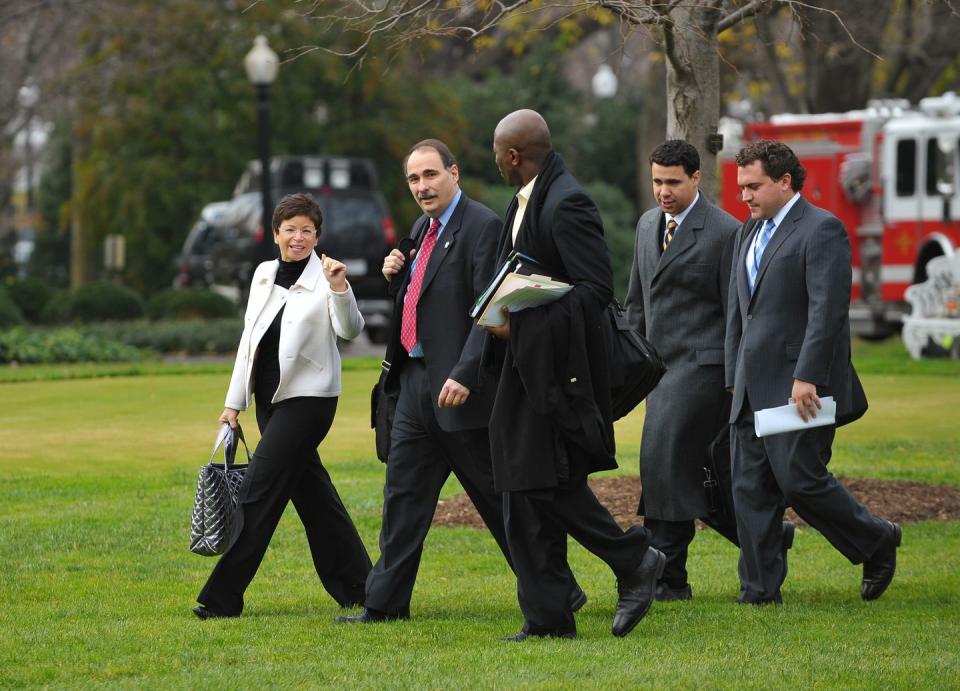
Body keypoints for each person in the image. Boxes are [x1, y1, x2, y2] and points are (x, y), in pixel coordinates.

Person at [336, 139, 586, 625]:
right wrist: (397, 277)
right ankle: (384, 604)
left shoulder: (482, 227)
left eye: (430, 175)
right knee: (402, 496)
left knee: (499, 499)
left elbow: (487, 309)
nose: (422, 186)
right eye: (413, 179)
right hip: (414, 383)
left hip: (461, 390)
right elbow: (428, 300)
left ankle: (559, 592)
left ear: (453, 173)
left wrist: (466, 372)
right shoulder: (420, 230)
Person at [482, 109, 665, 641]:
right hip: (524, 367)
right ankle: (548, 619)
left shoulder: (567, 202)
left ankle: (633, 560)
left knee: (542, 485)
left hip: (557, 373)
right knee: (523, 489)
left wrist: (522, 323)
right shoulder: (523, 202)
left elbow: (594, 292)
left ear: (513, 155)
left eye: (496, 151)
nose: (493, 160)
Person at [725, 140, 901, 605]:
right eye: (741, 186)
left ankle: (876, 540)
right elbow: (737, 312)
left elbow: (828, 311)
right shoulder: (748, 231)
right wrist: (731, 375)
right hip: (749, 385)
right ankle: (759, 591)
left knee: (800, 481)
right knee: (750, 489)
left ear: (784, 181)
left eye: (754, 186)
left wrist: (808, 374)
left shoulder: (823, 229)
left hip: (799, 387)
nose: (745, 195)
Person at [194, 192, 372, 618]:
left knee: (258, 492)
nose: (298, 237)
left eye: (306, 230)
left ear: (317, 236)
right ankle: (363, 589)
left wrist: (340, 288)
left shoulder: (327, 277)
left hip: (309, 402)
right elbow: (248, 343)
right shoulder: (262, 274)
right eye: (290, 229)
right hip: (268, 405)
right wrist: (232, 405)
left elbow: (350, 329)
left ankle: (222, 597)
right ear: (275, 234)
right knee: (315, 499)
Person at [624, 139, 783, 601]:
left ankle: (669, 577)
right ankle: (764, 536)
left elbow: (737, 313)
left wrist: (734, 379)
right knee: (682, 470)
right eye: (657, 181)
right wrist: (628, 363)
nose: (663, 191)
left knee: (665, 462)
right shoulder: (646, 225)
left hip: (703, 369)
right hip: (656, 371)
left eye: (673, 182)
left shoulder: (725, 231)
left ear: (696, 178)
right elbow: (638, 303)